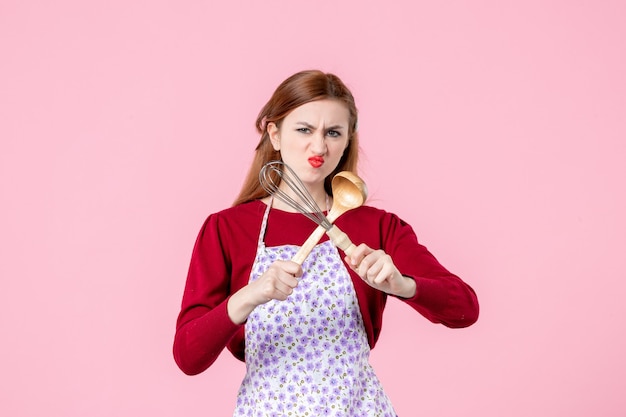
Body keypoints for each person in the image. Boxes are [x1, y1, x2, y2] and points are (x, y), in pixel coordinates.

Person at [173, 69, 479, 416]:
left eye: (333, 132)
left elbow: (465, 308)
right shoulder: (227, 229)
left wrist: (402, 284)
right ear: (274, 133)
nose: (319, 147)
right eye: (304, 129)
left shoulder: (377, 226)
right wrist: (250, 295)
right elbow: (188, 355)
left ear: (348, 140)